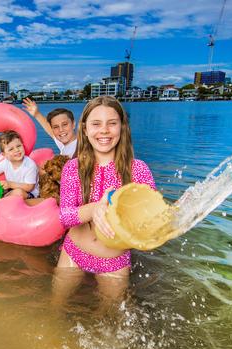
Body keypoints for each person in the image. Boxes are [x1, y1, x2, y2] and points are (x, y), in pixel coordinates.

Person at [52, 96, 156, 309]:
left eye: (112, 123)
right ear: (85, 129)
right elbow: (65, 217)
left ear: (122, 127)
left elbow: (149, 220)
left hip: (114, 261)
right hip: (74, 252)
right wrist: (95, 208)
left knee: (109, 319)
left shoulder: (138, 170)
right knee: (56, 306)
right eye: (96, 124)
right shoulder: (73, 168)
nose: (104, 130)